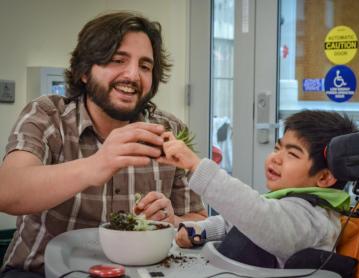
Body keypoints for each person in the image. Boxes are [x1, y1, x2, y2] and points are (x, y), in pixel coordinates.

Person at [0, 11, 206, 276]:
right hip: (40, 272)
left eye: (145, 66)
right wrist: (96, 165)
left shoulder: (171, 130)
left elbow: (198, 222)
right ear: (84, 71)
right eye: (117, 60)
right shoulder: (47, 115)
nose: (133, 75)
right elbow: (8, 191)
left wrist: (173, 221)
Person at [158, 110, 357, 268]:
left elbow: (259, 216)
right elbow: (238, 223)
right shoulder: (289, 203)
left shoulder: (315, 219)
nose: (276, 158)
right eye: (278, 148)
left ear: (324, 177)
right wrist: (201, 230)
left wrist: (196, 166)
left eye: (293, 154)